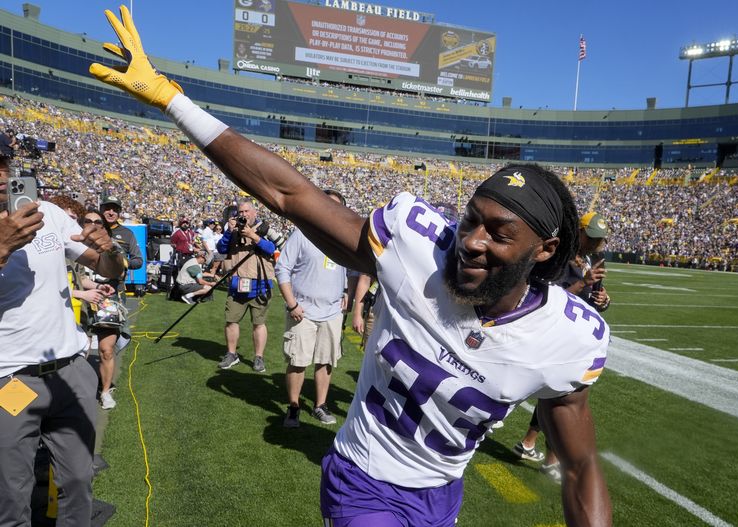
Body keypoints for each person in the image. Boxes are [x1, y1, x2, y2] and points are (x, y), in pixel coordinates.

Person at [89, 11, 612, 525]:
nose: (471, 242)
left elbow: (581, 463)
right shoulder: (416, 245)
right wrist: (172, 100)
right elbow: (290, 194)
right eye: (472, 219)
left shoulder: (569, 337)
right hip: (362, 478)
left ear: (544, 251)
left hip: (441, 496)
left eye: (499, 234)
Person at [0, 154, 126, 526]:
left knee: (78, 482)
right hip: (10, 378)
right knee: (12, 496)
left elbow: (105, 268)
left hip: (69, 371)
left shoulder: (49, 214)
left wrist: (110, 250)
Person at [515, 211, 611, 483]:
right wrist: (584, 282)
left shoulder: (590, 260)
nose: (594, 244)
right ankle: (547, 457)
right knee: (560, 396)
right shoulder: (558, 256)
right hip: (553, 334)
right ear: (578, 232)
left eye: (599, 240)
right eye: (590, 238)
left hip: (574, 338)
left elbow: (591, 300)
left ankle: (532, 445)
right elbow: (545, 297)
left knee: (556, 395)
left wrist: (602, 300)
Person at [275, 189, 348, 428]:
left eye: (335, 206)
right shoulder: (303, 234)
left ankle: (320, 405)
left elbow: (348, 270)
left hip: (332, 312)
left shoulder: (342, 238)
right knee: (298, 360)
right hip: (302, 310)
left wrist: (346, 291)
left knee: (326, 361)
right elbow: (282, 269)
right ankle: (294, 407)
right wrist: (291, 303)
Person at [215, 198, 276, 372]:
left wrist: (253, 236)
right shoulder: (233, 230)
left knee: (259, 323)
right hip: (237, 282)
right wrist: (229, 232)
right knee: (231, 320)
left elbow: (273, 249)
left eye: (246, 211)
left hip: (260, 282)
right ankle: (231, 354)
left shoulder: (264, 229)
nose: (243, 215)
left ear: (254, 212)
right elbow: (221, 249)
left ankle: (259, 357)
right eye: (240, 212)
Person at [80, 208, 126, 409]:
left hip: (107, 301)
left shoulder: (112, 246)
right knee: (81, 350)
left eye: (98, 222)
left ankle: (105, 391)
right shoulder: (71, 244)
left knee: (106, 350)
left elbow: (122, 267)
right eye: (88, 221)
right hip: (79, 302)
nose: (93, 224)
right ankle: (81, 390)